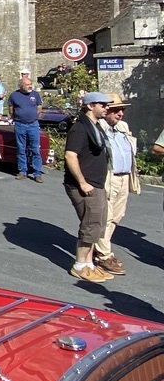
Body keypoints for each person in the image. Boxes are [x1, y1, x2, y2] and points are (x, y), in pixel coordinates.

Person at [63, 93, 113, 282]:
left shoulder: (95, 127)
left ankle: (89, 264)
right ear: (90, 106)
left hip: (96, 184)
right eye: (103, 104)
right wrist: (82, 182)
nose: (107, 108)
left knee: (97, 225)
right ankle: (79, 265)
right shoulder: (80, 129)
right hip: (85, 185)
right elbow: (70, 156)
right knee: (90, 225)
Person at [92, 94, 140, 275]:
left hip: (124, 177)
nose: (121, 114)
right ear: (106, 110)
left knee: (118, 216)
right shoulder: (99, 128)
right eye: (116, 110)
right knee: (106, 217)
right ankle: (104, 255)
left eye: (122, 110)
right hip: (108, 177)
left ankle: (99, 247)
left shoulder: (122, 127)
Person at [8, 72, 44, 182]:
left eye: (30, 84)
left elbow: (39, 108)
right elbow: (11, 110)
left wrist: (33, 117)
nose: (30, 86)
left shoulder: (35, 95)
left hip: (33, 125)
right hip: (20, 125)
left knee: (35, 149)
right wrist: (18, 117)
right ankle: (22, 171)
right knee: (21, 149)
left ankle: (37, 173)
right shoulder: (14, 95)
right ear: (21, 86)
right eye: (27, 84)